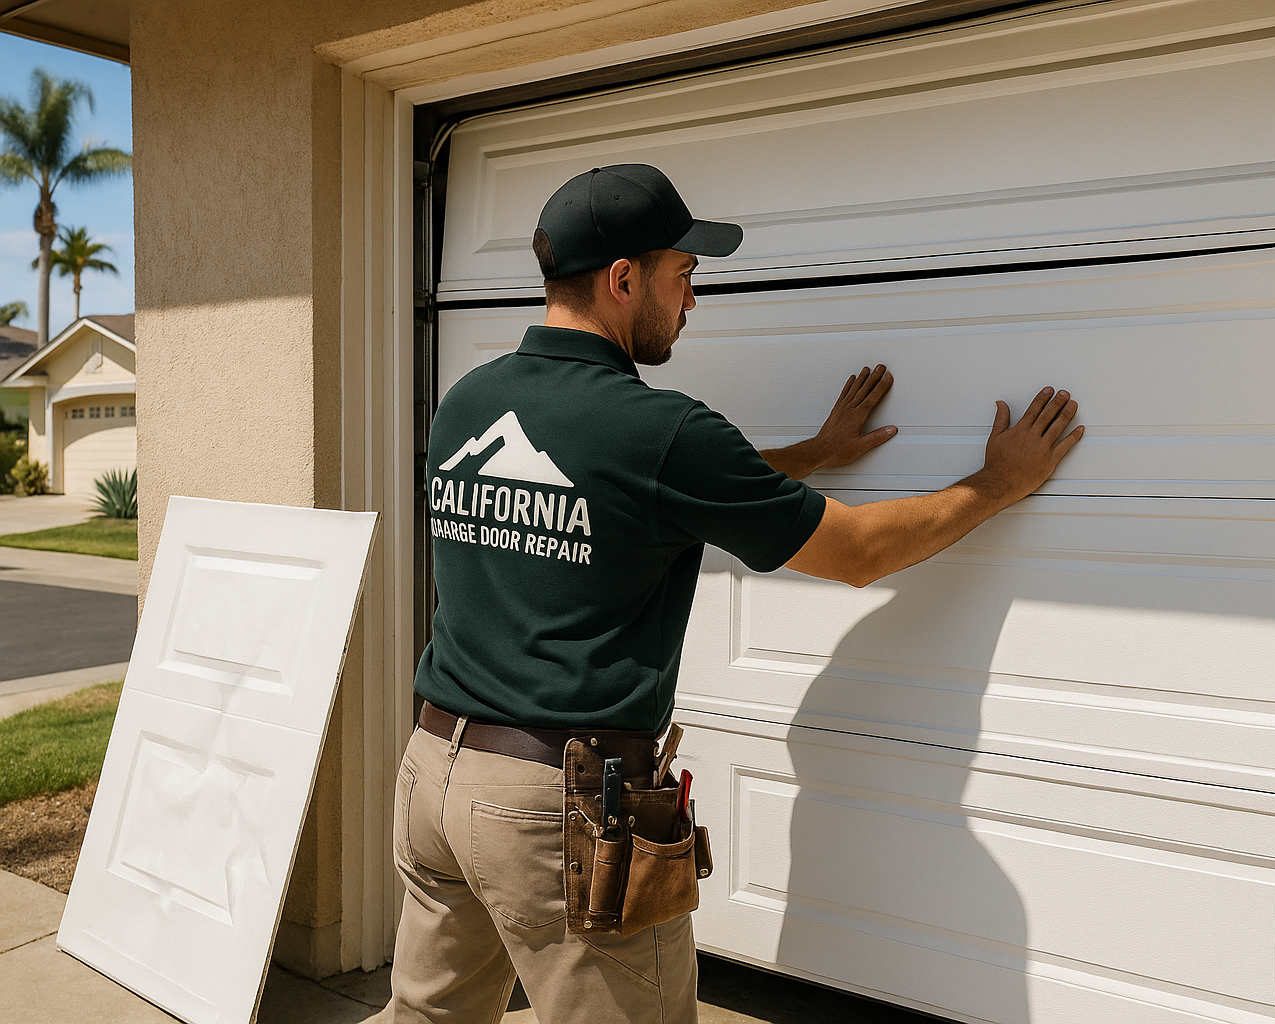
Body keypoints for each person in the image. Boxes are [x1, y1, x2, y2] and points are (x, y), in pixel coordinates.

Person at [386, 164, 1083, 1024]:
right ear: (623, 279)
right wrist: (997, 483)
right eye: (683, 275)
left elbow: (633, 494)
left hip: (434, 776)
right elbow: (857, 553)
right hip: (551, 805)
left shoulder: (469, 401)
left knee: (428, 1018)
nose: (691, 302)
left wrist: (811, 456)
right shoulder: (660, 429)